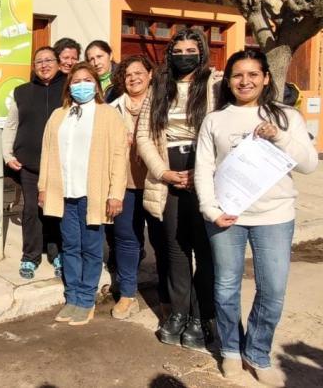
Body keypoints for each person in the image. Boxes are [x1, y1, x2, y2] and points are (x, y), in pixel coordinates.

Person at [195, 49, 317, 384]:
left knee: (273, 289)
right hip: (226, 217)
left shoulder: (286, 117)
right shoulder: (215, 120)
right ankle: (232, 351)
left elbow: (309, 164)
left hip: (275, 216)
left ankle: (258, 353)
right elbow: (203, 169)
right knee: (226, 286)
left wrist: (278, 136)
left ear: (265, 78)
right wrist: (210, 209)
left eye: (252, 75)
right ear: (229, 80)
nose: (244, 81)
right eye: (237, 75)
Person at [136, 29, 218, 352]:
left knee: (204, 248)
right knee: (175, 248)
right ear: (170, 54)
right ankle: (179, 313)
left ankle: (202, 316)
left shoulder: (215, 85)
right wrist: (165, 172)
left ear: (201, 53)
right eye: (178, 50)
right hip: (168, 171)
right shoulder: (159, 87)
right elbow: (144, 136)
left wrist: (199, 173)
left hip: (205, 170)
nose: (184, 55)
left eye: (191, 49)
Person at [38, 62, 127, 326]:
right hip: (64, 192)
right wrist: (43, 187)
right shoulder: (58, 115)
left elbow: (119, 156)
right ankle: (73, 297)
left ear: (96, 85)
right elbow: (47, 153)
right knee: (70, 246)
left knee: (90, 247)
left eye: (87, 80)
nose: (81, 85)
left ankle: (86, 299)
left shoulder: (108, 114)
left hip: (93, 193)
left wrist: (115, 194)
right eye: (75, 81)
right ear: (68, 87)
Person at [108, 55, 169, 320]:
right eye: (128, 75)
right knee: (126, 239)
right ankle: (128, 294)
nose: (133, 78)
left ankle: (169, 296)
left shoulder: (164, 103)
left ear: (150, 74)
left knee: (163, 240)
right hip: (127, 183)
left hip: (157, 182)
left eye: (138, 73)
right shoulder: (114, 108)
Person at [2, 46, 65, 280]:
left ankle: (56, 253)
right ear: (33, 66)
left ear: (58, 63)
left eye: (49, 60)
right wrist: (8, 155)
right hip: (29, 164)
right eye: (39, 61)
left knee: (56, 210)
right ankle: (30, 256)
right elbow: (11, 125)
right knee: (31, 210)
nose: (44, 65)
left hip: (61, 165)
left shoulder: (68, 89)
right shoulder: (22, 92)